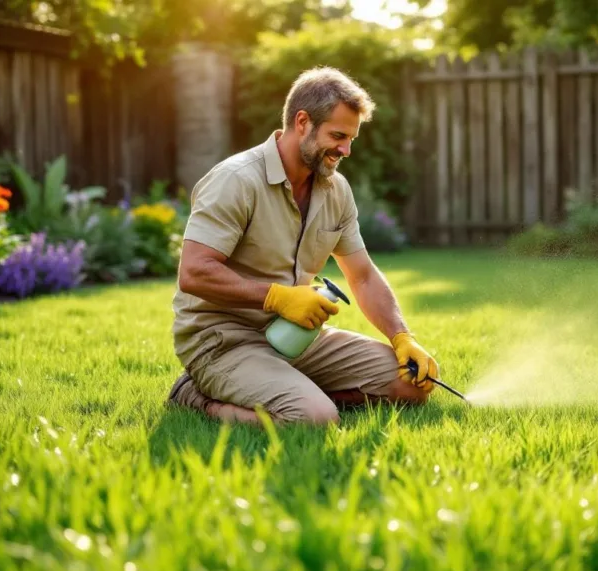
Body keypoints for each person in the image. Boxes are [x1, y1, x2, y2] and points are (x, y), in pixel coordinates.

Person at [166, 67, 439, 426]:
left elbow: (363, 277)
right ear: (302, 122)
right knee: (313, 418)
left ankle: (290, 386)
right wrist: (277, 298)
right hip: (223, 340)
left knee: (414, 385)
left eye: (351, 139)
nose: (346, 150)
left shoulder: (335, 190)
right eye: (338, 136)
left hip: (295, 336)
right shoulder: (235, 180)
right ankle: (194, 396)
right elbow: (194, 273)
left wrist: (402, 337)